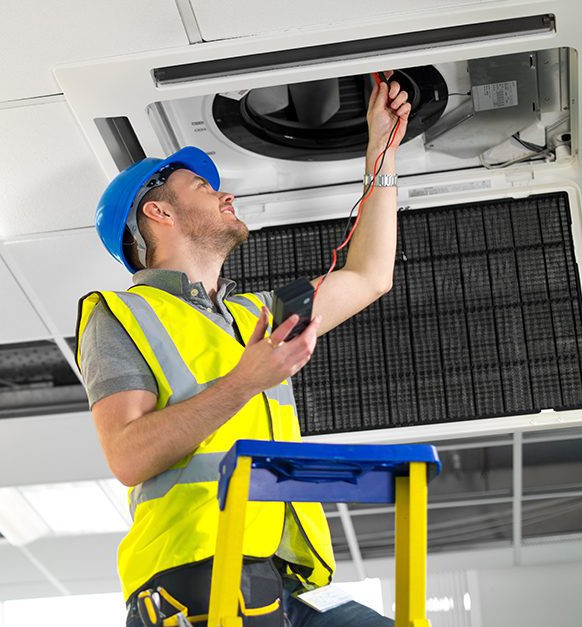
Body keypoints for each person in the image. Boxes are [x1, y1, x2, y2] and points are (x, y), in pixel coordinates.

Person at [75, 75, 412, 627]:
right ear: (158, 213)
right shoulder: (120, 315)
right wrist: (243, 381)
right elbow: (128, 457)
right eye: (203, 189)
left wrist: (382, 153)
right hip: (196, 575)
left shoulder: (253, 316)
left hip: (275, 580)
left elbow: (370, 276)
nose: (225, 194)